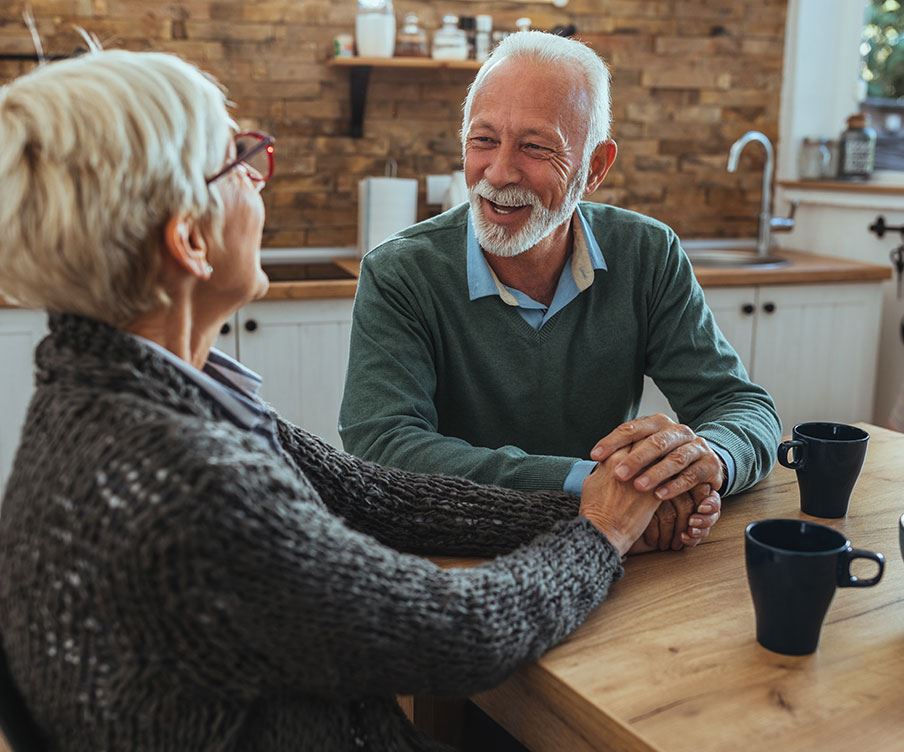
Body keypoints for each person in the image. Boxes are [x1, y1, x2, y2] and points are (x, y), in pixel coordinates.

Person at [0, 48, 721, 751]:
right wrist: (599, 533)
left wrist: (615, 500)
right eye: (239, 162)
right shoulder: (187, 483)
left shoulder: (146, 394)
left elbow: (378, 495)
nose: (260, 182)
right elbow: (457, 634)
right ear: (188, 238)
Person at [340, 31, 781, 549]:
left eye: (535, 147)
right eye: (483, 140)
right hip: (460, 550)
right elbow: (383, 445)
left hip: (623, 552)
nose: (499, 172)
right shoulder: (399, 272)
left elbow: (739, 405)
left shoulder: (648, 252)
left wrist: (701, 462)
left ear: (595, 167)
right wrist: (591, 485)